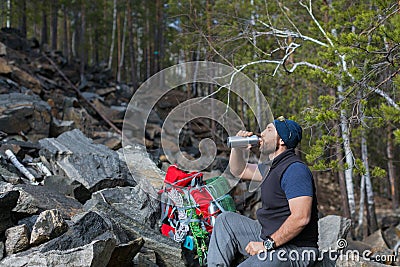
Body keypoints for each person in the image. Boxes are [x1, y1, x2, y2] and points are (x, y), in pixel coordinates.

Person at [207, 116, 319, 266]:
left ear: (282, 140)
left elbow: (301, 218)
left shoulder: (295, 170)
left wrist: (266, 245)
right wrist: (237, 149)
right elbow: (239, 170)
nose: (262, 134)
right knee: (225, 220)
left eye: (269, 129)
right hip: (267, 235)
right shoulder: (271, 167)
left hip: (295, 249)